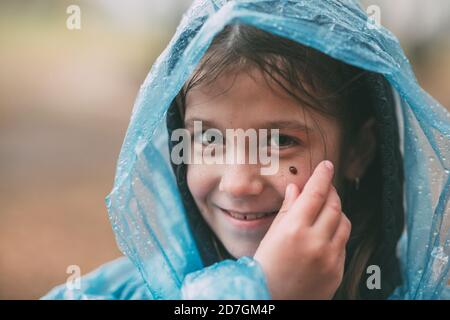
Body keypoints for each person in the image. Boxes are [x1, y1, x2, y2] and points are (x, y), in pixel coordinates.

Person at [43, 0, 450, 300]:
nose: (238, 183)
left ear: (359, 150)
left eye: (280, 142)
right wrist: (260, 294)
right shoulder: (114, 293)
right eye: (209, 139)